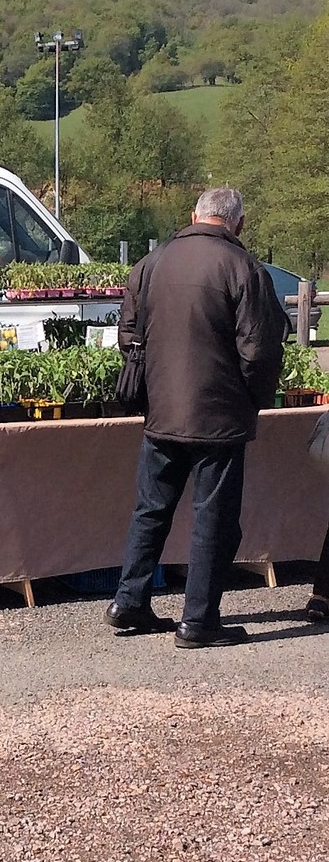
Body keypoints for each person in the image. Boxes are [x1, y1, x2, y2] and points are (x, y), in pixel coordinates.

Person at [105, 188, 288, 648]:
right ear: (238, 223)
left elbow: (128, 334)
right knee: (214, 519)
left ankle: (129, 601)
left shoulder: (151, 263)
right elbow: (258, 350)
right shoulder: (245, 268)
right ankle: (198, 621)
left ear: (194, 216)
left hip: (161, 411)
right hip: (219, 416)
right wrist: (252, 400)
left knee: (151, 510)